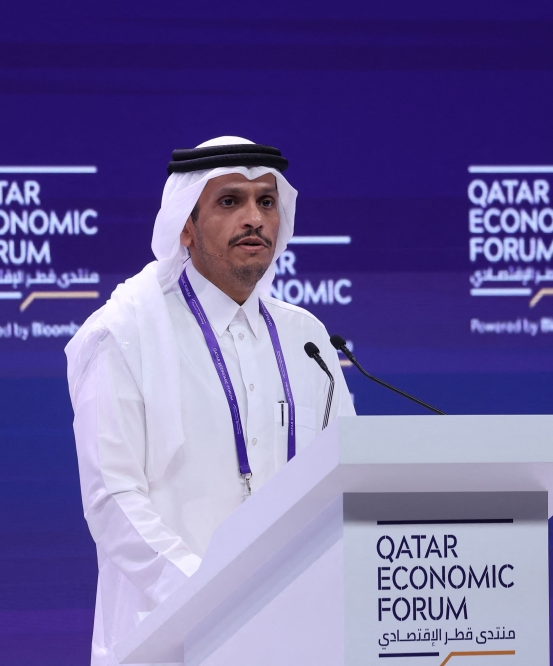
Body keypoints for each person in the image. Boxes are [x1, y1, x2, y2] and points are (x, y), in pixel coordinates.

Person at [65, 136, 354, 666]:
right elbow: (114, 500)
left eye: (266, 201)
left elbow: (348, 478)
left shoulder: (307, 339)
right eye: (230, 201)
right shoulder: (125, 333)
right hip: (167, 641)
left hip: (298, 638)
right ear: (185, 223)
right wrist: (212, 598)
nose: (255, 218)